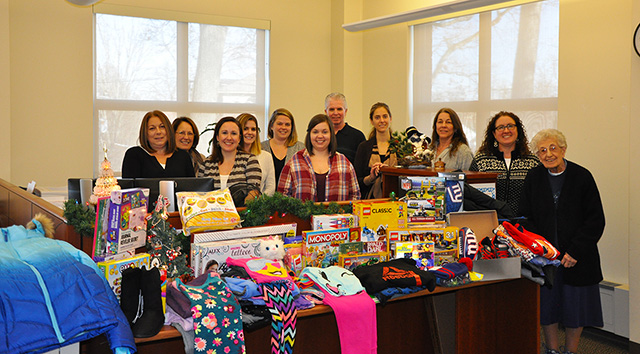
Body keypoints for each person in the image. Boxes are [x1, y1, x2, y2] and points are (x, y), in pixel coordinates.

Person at [519, 129, 605, 354]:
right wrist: (541, 249)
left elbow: (596, 220)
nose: (548, 154)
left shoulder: (582, 176)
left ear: (564, 149)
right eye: (542, 151)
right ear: (537, 156)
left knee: (575, 309)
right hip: (546, 258)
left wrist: (575, 251)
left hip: (579, 257)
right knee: (548, 307)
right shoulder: (533, 178)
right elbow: (525, 217)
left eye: (553, 148)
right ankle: (552, 350)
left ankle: (571, 351)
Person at [278, 114, 360, 202]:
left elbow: (355, 195)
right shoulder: (295, 161)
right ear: (309, 134)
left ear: (331, 134)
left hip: (337, 215)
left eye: (325, 132)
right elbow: (282, 195)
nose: (320, 136)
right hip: (302, 216)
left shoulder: (344, 162)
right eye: (315, 132)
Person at [469, 111, 539, 214]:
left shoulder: (532, 162)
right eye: (500, 127)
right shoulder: (481, 160)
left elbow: (538, 196)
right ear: (494, 133)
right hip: (489, 221)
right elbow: (471, 194)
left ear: (518, 130)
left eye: (510, 126)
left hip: (522, 223)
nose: (506, 131)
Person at [197, 117, 261, 200]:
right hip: (211, 212)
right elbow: (200, 194)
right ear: (217, 137)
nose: (229, 138)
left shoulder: (250, 160)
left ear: (239, 138)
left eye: (234, 133)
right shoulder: (206, 164)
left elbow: (254, 192)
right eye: (224, 133)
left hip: (241, 212)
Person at [122, 110, 195, 178]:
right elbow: (129, 189)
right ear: (145, 133)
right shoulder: (134, 155)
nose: (158, 132)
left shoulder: (183, 156)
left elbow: (192, 189)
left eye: (162, 127)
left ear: (168, 130)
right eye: (152, 128)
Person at [354, 102, 397, 199]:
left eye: (385, 116)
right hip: (369, 202)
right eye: (377, 117)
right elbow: (356, 181)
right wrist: (371, 178)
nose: (382, 120)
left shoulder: (400, 147)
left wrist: (389, 171)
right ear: (371, 121)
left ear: (390, 118)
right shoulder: (363, 147)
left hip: (396, 201)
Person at [260, 108, 305, 185]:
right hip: (265, 196)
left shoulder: (301, 148)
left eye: (287, 124)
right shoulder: (261, 148)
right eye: (279, 124)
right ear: (271, 126)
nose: (283, 127)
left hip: (291, 196)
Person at [237, 113, 276, 195]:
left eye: (253, 129)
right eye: (245, 128)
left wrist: (258, 202)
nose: (250, 132)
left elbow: (270, 187)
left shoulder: (266, 156)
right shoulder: (231, 156)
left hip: (259, 205)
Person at [324, 92, 365, 164]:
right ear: (325, 112)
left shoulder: (357, 136)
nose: (335, 113)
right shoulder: (320, 136)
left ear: (345, 111)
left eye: (339, 109)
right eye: (331, 109)